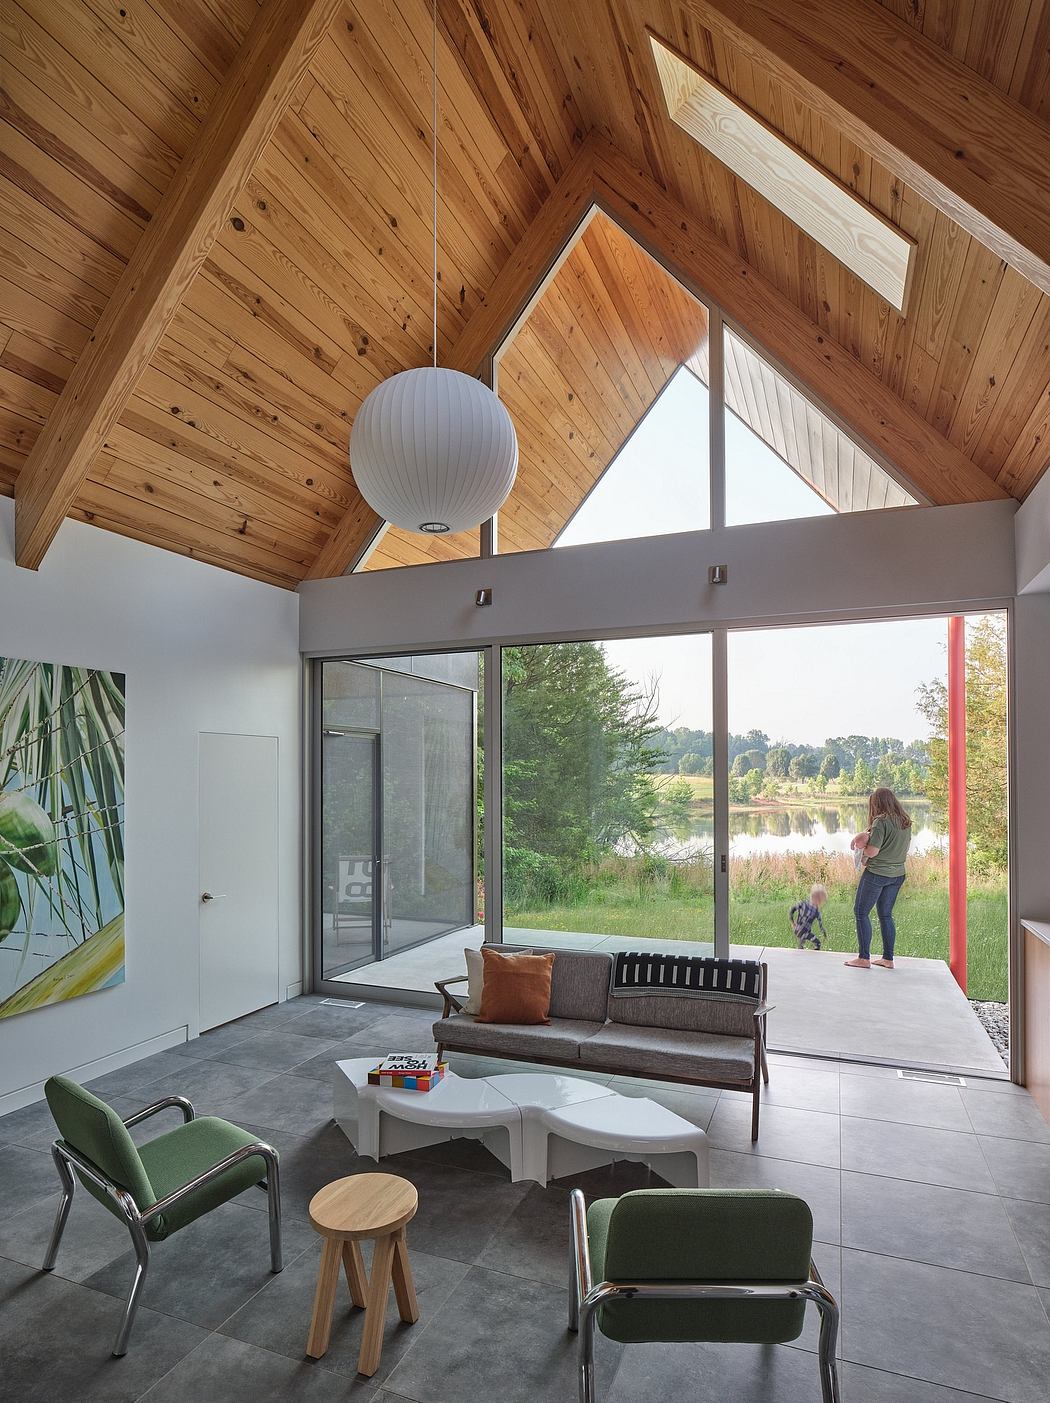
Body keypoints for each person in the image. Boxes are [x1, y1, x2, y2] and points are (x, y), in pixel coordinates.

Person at [845, 787, 912, 969]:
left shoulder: (880, 822)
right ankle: (888, 959)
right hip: (898, 874)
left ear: (876, 803)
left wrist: (862, 852)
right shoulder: (905, 821)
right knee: (886, 915)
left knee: (861, 912)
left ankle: (864, 958)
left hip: (877, 874)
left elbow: (873, 851)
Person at [790, 884, 828, 950]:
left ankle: (801, 948)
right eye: (819, 901)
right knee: (817, 943)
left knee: (814, 943)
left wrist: (824, 932)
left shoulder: (813, 909)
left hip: (804, 931)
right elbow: (792, 910)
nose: (819, 904)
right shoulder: (805, 905)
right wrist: (792, 923)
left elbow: (820, 923)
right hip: (801, 930)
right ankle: (800, 947)